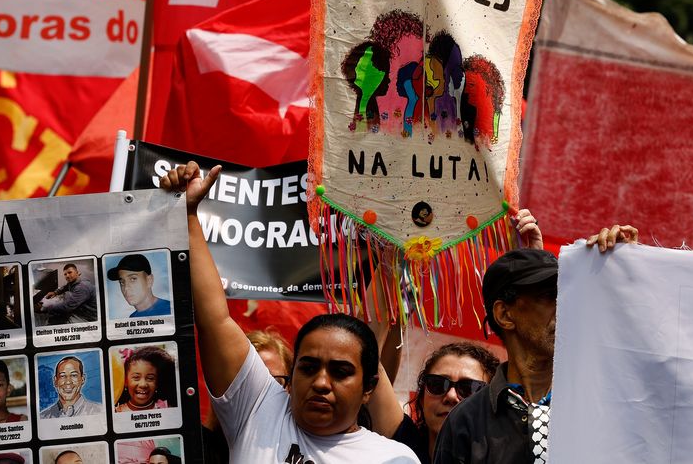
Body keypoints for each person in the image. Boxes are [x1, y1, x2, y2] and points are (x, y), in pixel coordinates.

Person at [160, 161, 419, 463]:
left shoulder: (394, 458)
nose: (321, 383)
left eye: (341, 372)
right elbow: (214, 319)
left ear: (369, 388)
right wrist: (188, 215)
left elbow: (373, 328)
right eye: (308, 367)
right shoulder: (259, 409)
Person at [432, 223, 638, 464]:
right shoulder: (466, 420)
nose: (563, 307)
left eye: (565, 295)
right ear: (505, 315)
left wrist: (630, 271)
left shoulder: (603, 403)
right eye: (548, 296)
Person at [370, 342, 500, 463]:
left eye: (468, 388)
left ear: (491, 403)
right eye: (437, 384)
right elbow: (371, 365)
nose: (451, 396)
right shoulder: (404, 445)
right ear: (422, 398)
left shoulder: (506, 456)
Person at [202, 329, 296, 464]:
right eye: (248, 383)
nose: (262, 392)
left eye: (274, 382)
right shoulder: (198, 448)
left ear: (290, 387)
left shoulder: (303, 449)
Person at [114, 344, 175, 411]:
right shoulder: (117, 412)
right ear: (125, 381)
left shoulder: (167, 408)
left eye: (150, 378)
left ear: (157, 382)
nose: (143, 384)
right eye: (136, 377)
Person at [107, 254, 171, 318]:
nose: (126, 288)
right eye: (122, 282)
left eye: (133, 279)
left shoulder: (169, 310)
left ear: (149, 280)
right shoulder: (133, 317)